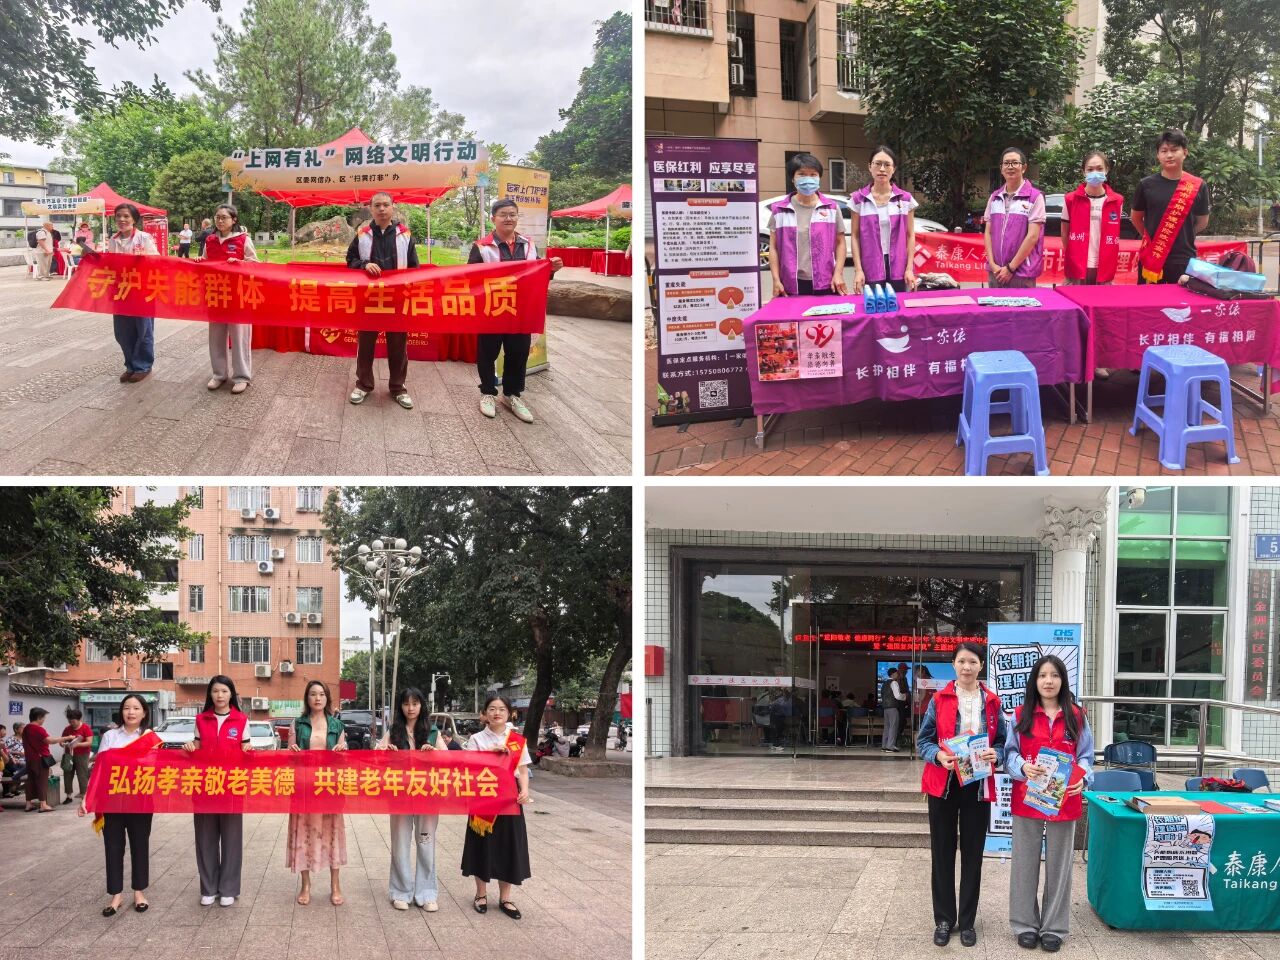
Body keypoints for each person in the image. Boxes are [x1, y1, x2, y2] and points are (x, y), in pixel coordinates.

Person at [917, 641, 1007, 948]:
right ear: (954, 665)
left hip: (977, 785)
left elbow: (1003, 743)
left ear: (981, 665)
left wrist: (997, 754)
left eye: (972, 662)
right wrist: (938, 756)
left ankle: (967, 921)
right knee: (942, 853)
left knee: (973, 855)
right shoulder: (939, 699)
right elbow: (923, 741)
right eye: (961, 661)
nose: (966, 667)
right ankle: (944, 919)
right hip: (944, 785)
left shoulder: (992, 702)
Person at [1005, 656, 1094, 953]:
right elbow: (1009, 754)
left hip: (1064, 800)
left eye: (1054, 675)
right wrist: (1022, 767)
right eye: (1042, 675)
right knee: (1024, 864)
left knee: (1060, 866)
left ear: (1062, 680)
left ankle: (1054, 927)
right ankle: (1024, 925)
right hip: (1028, 798)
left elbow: (1086, 756)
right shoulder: (1021, 715)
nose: (1048, 681)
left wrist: (1084, 777)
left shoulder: (1077, 716)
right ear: (1035, 680)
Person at [469, 197, 563, 425]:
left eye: (512, 214)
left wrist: (551, 269)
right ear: (494, 219)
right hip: (492, 310)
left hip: (521, 311)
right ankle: (488, 392)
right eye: (503, 214)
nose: (508, 218)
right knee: (487, 353)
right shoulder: (481, 247)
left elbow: (538, 275)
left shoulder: (528, 246)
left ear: (517, 217)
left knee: (518, 353)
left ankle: (511, 395)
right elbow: (471, 279)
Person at [78, 694, 154, 915]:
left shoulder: (149, 736)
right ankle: (116, 895)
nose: (131, 712)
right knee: (113, 847)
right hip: (112, 799)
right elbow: (100, 769)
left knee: (140, 846)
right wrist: (87, 798)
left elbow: (154, 767)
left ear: (144, 713)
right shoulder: (110, 736)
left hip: (140, 799)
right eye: (127, 708)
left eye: (136, 708)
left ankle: (139, 892)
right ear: (121, 711)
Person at [345, 192, 418, 409]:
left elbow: (414, 267)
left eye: (386, 205)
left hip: (397, 300)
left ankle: (398, 387)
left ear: (393, 207)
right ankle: (363, 384)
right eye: (377, 205)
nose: (382, 209)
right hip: (369, 299)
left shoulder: (405, 235)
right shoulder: (362, 235)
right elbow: (350, 260)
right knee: (366, 344)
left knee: (398, 346)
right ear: (371, 209)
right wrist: (364, 264)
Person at [183, 675, 251, 906]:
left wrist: (249, 751)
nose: (220, 695)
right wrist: (190, 747)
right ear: (209, 694)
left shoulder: (241, 720)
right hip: (204, 787)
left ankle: (229, 888)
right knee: (205, 838)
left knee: (232, 839)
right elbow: (196, 748)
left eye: (224, 691)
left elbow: (245, 751)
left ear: (231, 694)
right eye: (215, 691)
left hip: (231, 787)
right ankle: (209, 888)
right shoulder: (201, 719)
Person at [461, 695, 532, 919]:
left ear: (510, 713)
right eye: (492, 709)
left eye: (501, 709)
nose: (497, 713)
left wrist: (525, 790)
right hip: (483, 798)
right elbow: (469, 768)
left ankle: (505, 898)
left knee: (508, 846)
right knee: (481, 845)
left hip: (510, 799)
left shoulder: (517, 740)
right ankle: (480, 894)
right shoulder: (476, 739)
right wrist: (490, 756)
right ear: (484, 714)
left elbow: (523, 770)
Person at [375, 687, 440, 911]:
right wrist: (386, 753)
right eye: (406, 704)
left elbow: (449, 760)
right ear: (400, 707)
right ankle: (400, 891)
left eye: (415, 703)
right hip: (400, 796)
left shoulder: (433, 731)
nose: (410, 708)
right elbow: (376, 758)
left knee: (426, 844)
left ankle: (427, 893)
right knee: (400, 844)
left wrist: (434, 753)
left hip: (427, 796)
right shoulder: (394, 731)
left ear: (422, 705)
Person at [288, 680, 348, 906]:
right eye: (313, 694)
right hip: (304, 789)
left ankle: (335, 885)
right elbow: (289, 757)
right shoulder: (298, 724)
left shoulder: (337, 725)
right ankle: (305, 885)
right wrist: (292, 753)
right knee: (303, 835)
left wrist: (342, 752)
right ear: (307, 698)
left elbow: (344, 760)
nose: (317, 698)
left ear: (327, 698)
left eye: (321, 694)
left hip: (329, 788)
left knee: (332, 836)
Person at [1130, 128, 1210, 284]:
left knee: (1183, 300)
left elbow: (1202, 221)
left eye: (1174, 150)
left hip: (1184, 257)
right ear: (1158, 155)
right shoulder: (1146, 185)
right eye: (1164, 151)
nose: (1169, 155)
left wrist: (1182, 233)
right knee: (1148, 299)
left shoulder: (1198, 186)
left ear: (1185, 152)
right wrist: (1152, 237)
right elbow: (1136, 218)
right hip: (1153, 256)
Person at [93, 203, 159, 383]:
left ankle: (143, 366)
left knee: (143, 330)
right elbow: (111, 266)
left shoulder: (144, 238)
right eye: (118, 216)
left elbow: (156, 261)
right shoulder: (113, 240)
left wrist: (141, 261)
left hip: (141, 291)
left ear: (134, 219)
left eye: (126, 216)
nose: (122, 219)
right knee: (122, 331)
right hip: (121, 292)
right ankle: (130, 365)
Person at [767, 153, 848, 298]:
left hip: (826, 281)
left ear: (819, 178)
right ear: (793, 178)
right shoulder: (779, 210)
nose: (808, 179)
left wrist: (838, 273)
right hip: (790, 283)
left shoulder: (831, 208)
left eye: (813, 174)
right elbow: (773, 247)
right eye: (802, 174)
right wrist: (776, 279)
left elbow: (840, 243)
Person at [200, 204, 256, 394]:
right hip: (215, 294)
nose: (220, 220)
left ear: (234, 220)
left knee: (240, 337)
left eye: (224, 217)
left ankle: (242, 376)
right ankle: (219, 374)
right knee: (216, 337)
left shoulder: (243, 239)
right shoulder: (210, 240)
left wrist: (240, 263)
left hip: (238, 295)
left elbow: (254, 264)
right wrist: (200, 261)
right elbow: (206, 262)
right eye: (217, 217)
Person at [849, 146, 918, 294]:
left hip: (899, 265)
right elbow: (855, 236)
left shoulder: (905, 199)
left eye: (887, 165)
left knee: (898, 304)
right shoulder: (858, 199)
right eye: (877, 164)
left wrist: (909, 269)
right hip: (870, 264)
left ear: (894, 169)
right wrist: (858, 270)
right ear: (870, 166)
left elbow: (910, 235)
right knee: (875, 304)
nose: (882, 169)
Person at [984, 148, 1046, 287]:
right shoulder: (994, 197)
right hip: (996, 271)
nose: (1010, 166)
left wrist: (1010, 268)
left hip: (1021, 273)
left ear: (1023, 168)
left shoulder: (1035, 197)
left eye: (1015, 163)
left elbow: (1032, 236)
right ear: (1001, 168)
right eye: (1006, 163)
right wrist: (992, 264)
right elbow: (988, 232)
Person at [1061, 152, 1125, 287]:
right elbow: (1064, 234)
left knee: (1103, 300)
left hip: (1104, 267)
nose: (1095, 173)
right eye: (1090, 169)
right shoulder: (1070, 199)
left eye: (1099, 169)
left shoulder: (1117, 201)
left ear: (1107, 170)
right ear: (1083, 171)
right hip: (1077, 267)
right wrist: (1074, 256)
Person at [22, 707, 78, 812]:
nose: (44, 720)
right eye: (43, 718)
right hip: (40, 759)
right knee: (42, 781)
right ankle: (43, 804)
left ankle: (28, 804)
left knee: (30, 781)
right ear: (39, 717)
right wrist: (67, 738)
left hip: (29, 758)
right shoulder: (38, 729)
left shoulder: (26, 728)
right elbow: (50, 740)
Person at [61, 707, 93, 803]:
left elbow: (89, 742)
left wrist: (77, 744)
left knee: (82, 775)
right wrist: (63, 744)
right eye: (70, 721)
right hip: (68, 754)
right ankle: (68, 796)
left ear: (79, 719)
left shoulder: (86, 728)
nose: (71, 723)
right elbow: (62, 740)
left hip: (82, 755)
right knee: (67, 774)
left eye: (73, 721)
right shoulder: (67, 729)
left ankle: (84, 796)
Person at [880, 668, 907, 752]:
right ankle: (890, 746)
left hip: (885, 708)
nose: (898, 675)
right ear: (893, 674)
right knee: (893, 726)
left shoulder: (884, 683)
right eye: (897, 673)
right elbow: (897, 696)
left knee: (887, 727)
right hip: (893, 707)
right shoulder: (894, 682)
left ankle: (884, 745)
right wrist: (905, 696)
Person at [2, 722, 25, 797]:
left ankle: (14, 788)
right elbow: (7, 751)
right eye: (22, 728)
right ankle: (13, 788)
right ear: (16, 729)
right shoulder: (10, 739)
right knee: (20, 769)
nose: (25, 729)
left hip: (24, 759)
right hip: (14, 760)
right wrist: (17, 753)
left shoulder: (25, 738)